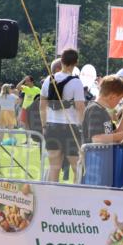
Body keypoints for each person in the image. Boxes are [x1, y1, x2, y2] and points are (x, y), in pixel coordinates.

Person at [81, 75, 123, 183]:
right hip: (94, 167)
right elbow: (97, 139)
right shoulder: (95, 110)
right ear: (112, 96)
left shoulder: (103, 111)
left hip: (101, 164)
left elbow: (114, 136)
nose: (119, 103)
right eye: (119, 99)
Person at [40, 49, 86, 182]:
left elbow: (42, 106)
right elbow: (80, 108)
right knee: (77, 167)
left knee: (54, 167)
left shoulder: (49, 79)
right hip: (70, 128)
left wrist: (44, 126)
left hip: (51, 127)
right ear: (76, 63)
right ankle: (75, 193)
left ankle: (52, 193)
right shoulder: (76, 82)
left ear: (61, 61)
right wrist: (81, 128)